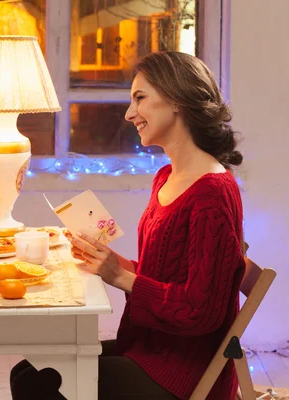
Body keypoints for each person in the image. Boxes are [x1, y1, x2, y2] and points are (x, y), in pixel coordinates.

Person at [69, 51, 246, 400]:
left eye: (140, 98)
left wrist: (120, 277)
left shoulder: (211, 193)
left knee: (42, 379)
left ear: (177, 100)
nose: (129, 113)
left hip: (185, 373)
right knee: (33, 368)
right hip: (146, 348)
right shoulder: (167, 176)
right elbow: (163, 277)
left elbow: (199, 311)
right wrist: (106, 260)